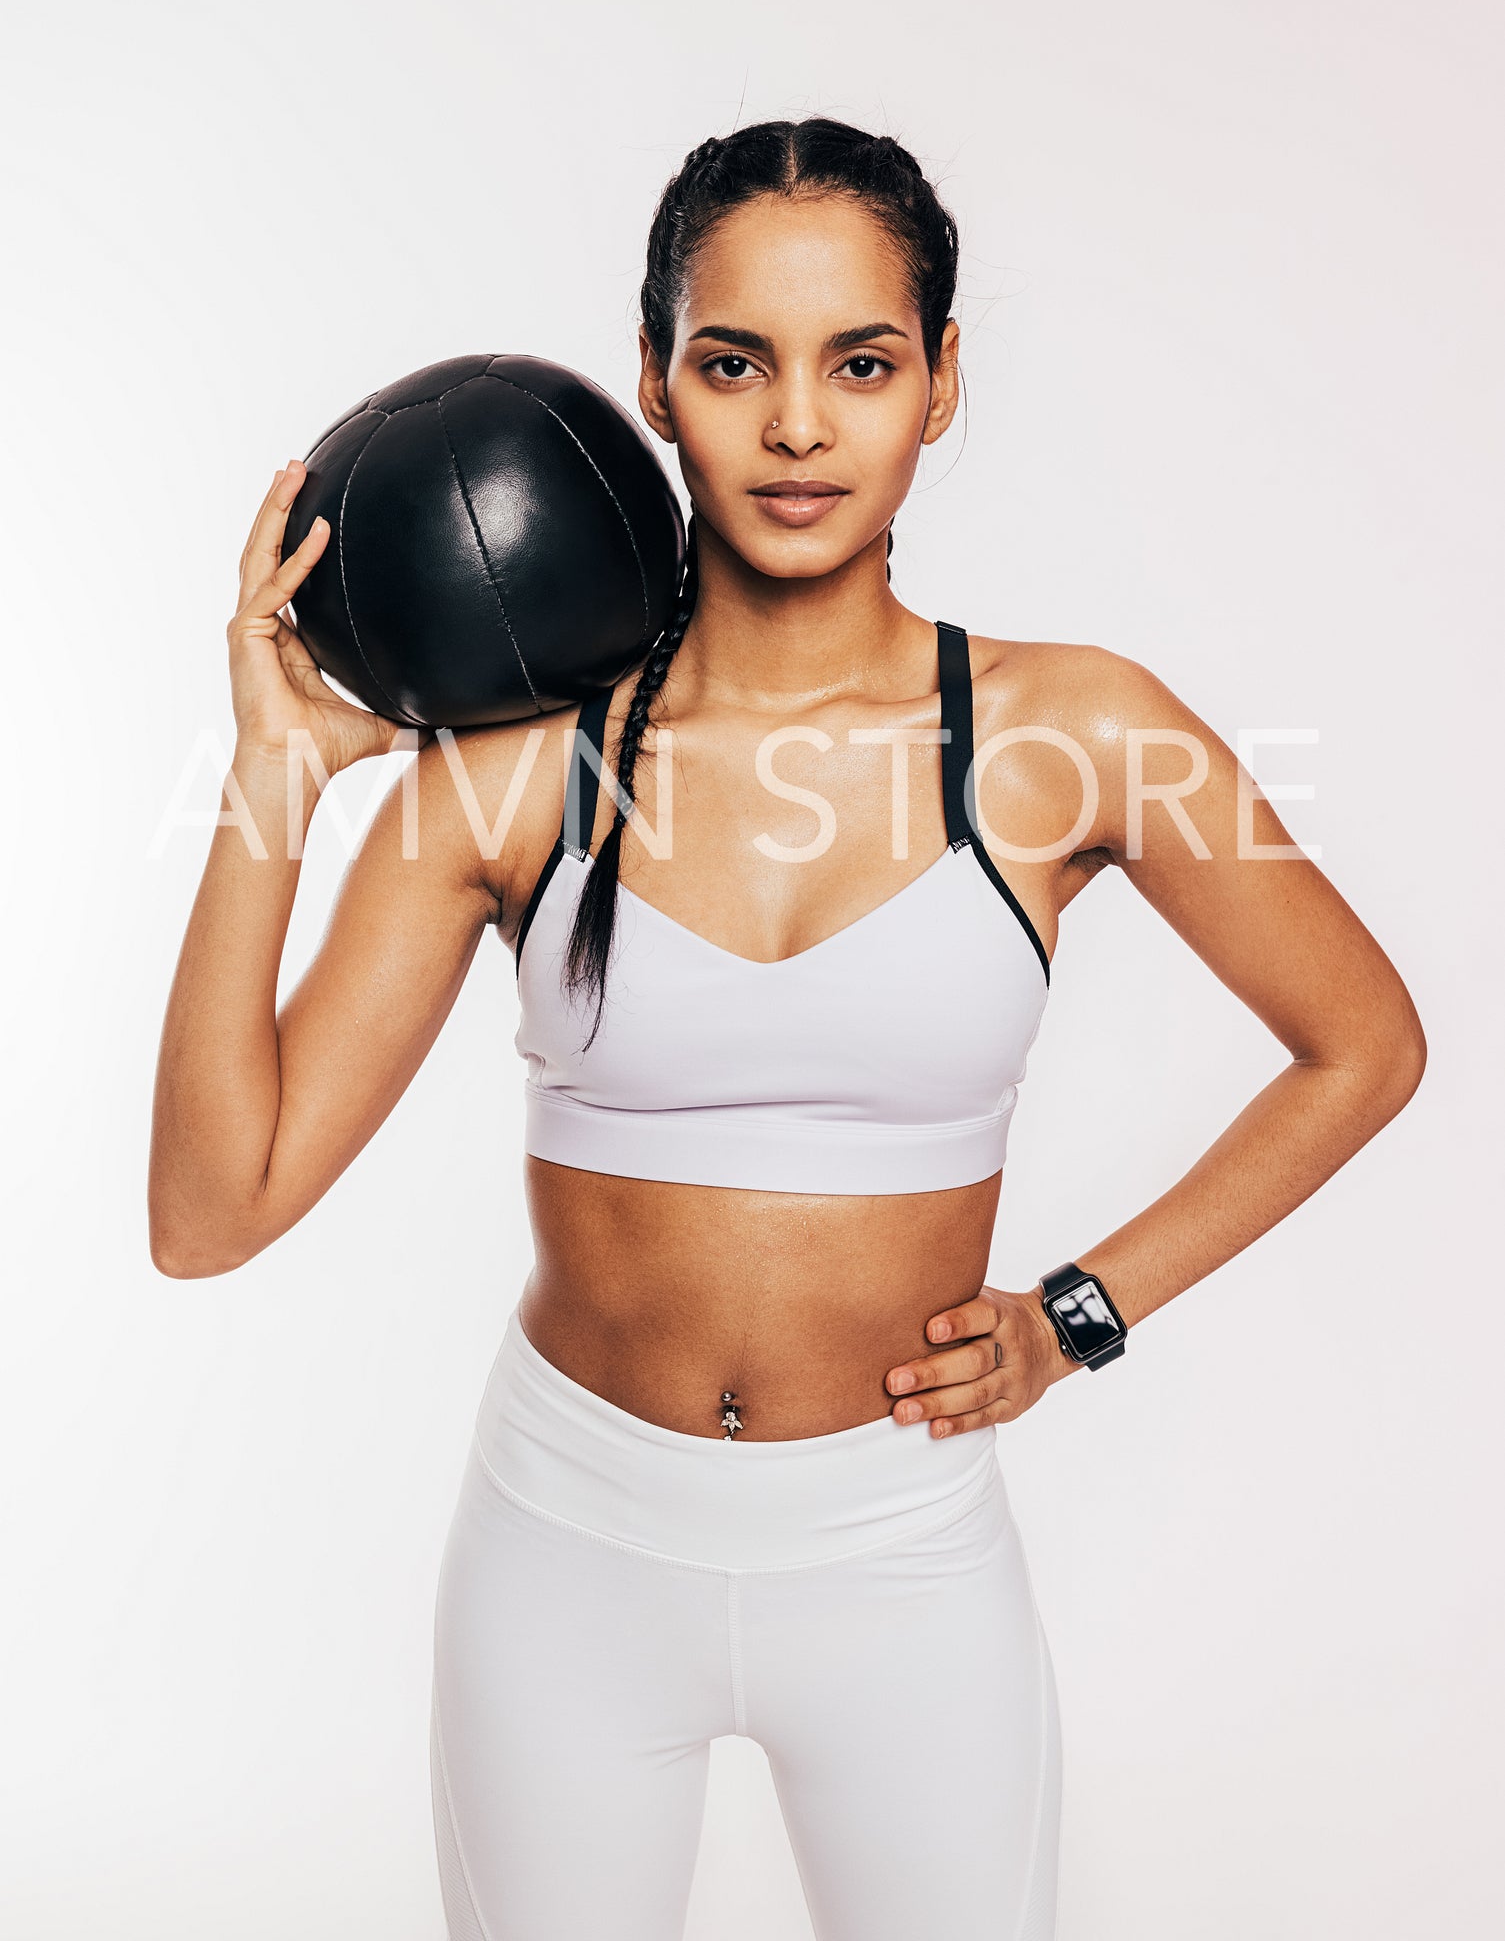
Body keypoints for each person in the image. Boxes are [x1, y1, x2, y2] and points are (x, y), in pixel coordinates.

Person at [148, 120, 1425, 1941]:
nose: (800, 427)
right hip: (566, 1552)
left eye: (863, 362)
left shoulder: (1079, 731)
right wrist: (272, 789)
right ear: (657, 383)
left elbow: (1362, 1043)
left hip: (899, 1555)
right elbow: (213, 1212)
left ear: (941, 381)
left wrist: (1081, 1314)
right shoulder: (513, 775)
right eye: (736, 363)